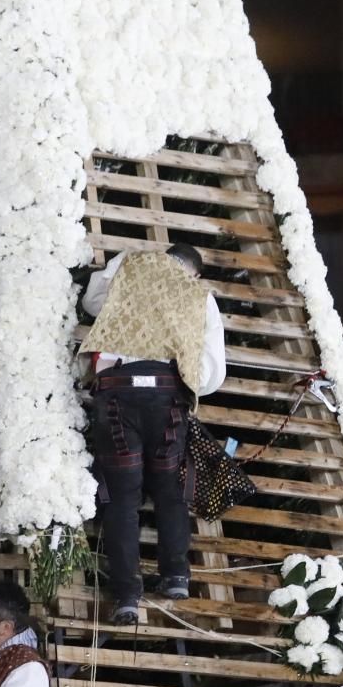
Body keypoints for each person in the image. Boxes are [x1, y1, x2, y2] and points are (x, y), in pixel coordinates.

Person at [80, 243, 226, 622]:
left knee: (122, 498)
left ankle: (127, 595)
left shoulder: (128, 274)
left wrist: (119, 263)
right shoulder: (198, 297)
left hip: (117, 394)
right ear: (193, 273)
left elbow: (92, 303)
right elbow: (211, 375)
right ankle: (176, 575)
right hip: (166, 395)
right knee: (171, 490)